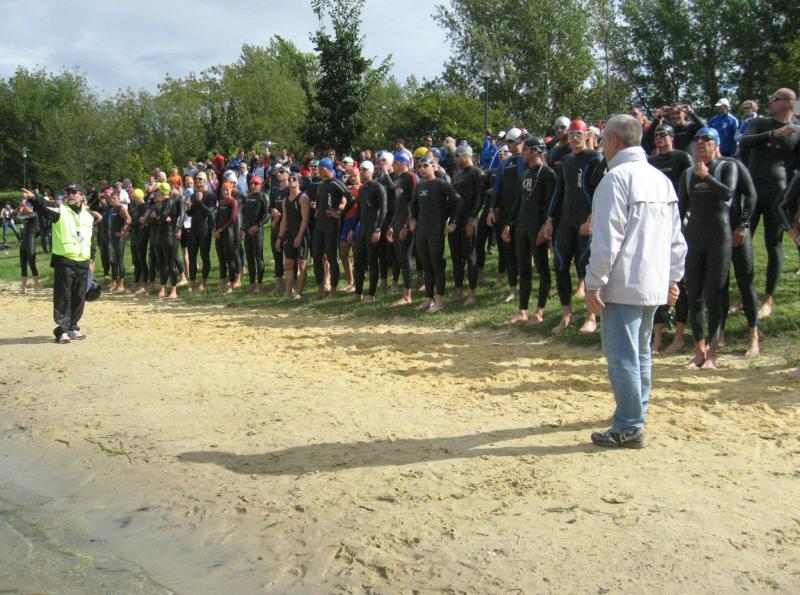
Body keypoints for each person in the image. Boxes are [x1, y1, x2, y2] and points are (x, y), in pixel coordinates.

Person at [584, 114, 687, 448]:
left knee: (623, 357)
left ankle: (629, 425)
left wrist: (593, 282)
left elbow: (606, 239)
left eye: (603, 140)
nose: (601, 146)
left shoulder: (615, 179)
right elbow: (676, 238)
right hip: (652, 281)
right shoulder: (661, 179)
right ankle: (635, 414)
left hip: (623, 282)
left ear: (614, 141)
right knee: (640, 353)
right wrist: (673, 278)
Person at [679, 128, 737, 369]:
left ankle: (712, 353)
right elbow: (680, 209)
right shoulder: (687, 174)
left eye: (706, 139)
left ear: (716, 144)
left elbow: (728, 194)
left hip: (719, 237)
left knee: (714, 295)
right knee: (693, 295)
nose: (700, 143)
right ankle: (699, 351)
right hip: (694, 238)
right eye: (697, 139)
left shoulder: (727, 167)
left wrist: (706, 176)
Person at [739, 88, 800, 318]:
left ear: (789, 103)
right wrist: (772, 135)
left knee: (773, 245)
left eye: (775, 99)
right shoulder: (761, 123)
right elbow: (744, 141)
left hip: (778, 195)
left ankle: (768, 298)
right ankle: (746, 295)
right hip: (753, 192)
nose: (770, 102)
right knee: (743, 244)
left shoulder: (797, 131)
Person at [542, 119, 604, 334]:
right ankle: (566, 315)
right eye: (572, 134)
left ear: (586, 136)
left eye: (579, 134)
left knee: (586, 265)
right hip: (567, 219)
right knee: (560, 264)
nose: (575, 138)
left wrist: (592, 218)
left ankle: (591, 316)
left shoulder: (595, 159)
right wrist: (550, 219)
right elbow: (558, 192)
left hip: (586, 219)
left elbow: (599, 192)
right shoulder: (566, 161)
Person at [24, 184, 97, 344]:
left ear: (82, 196)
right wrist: (34, 198)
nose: (70, 194)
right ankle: (62, 330)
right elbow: (44, 206)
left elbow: (91, 239)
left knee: (79, 297)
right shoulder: (60, 210)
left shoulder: (88, 216)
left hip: (83, 262)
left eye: (74, 192)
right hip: (64, 261)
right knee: (63, 297)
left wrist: (92, 259)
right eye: (67, 192)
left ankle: (73, 327)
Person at [646, 123, 693, 353]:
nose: (659, 137)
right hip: (655, 222)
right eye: (656, 134)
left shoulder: (682, 158)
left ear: (672, 137)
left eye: (663, 134)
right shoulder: (651, 162)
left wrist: (688, 212)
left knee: (677, 280)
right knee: (653, 277)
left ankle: (679, 334)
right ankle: (656, 336)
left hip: (678, 220)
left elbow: (691, 185)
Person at [502, 135, 558, 325]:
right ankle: (522, 311)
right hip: (522, 226)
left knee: (542, 269)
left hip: (537, 228)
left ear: (535, 151)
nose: (522, 153)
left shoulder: (548, 174)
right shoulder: (525, 174)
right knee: (524, 269)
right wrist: (509, 223)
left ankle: (539, 311)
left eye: (525, 149)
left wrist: (545, 225)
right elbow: (518, 201)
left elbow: (552, 203)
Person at [409, 156, 461, 313]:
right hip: (422, 229)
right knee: (426, 264)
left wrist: (453, 221)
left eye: (425, 165)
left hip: (436, 229)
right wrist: (413, 219)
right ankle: (428, 298)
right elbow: (413, 204)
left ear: (434, 167)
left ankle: (439, 300)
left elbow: (458, 201)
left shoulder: (441, 183)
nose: (422, 169)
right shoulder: (420, 185)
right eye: (419, 166)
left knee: (437, 264)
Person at [487, 127, 525, 302]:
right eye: (507, 142)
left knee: (523, 251)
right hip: (506, 212)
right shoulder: (504, 163)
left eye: (510, 142)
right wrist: (491, 209)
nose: (507, 145)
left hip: (524, 211)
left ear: (520, 142)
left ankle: (525, 285)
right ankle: (512, 288)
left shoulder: (527, 159)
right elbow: (497, 189)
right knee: (507, 250)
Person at [312, 157, 354, 298]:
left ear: (329, 170)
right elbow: (320, 200)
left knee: (331, 256)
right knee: (317, 255)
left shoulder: (336, 183)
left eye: (321, 169)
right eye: (318, 169)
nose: (319, 171)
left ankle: (333, 289)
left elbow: (351, 198)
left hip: (331, 224)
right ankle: (320, 289)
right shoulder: (321, 184)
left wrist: (339, 214)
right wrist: (318, 208)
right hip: (320, 224)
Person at [450, 144, 485, 305]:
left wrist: (471, 220)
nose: (454, 158)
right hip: (455, 220)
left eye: (457, 155)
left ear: (466, 156)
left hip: (469, 220)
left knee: (470, 256)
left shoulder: (477, 173)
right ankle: (458, 290)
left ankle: (472, 293)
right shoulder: (456, 175)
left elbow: (479, 199)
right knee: (456, 256)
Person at [349, 161, 387, 302]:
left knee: (372, 261)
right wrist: (352, 229)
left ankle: (371, 294)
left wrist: (378, 228)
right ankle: (358, 293)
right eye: (360, 169)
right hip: (363, 229)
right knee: (358, 261)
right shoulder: (362, 189)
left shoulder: (378, 187)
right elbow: (358, 211)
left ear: (371, 171)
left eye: (364, 170)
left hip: (373, 228)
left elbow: (384, 210)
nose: (361, 172)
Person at [386, 151, 416, 306]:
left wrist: (406, 225)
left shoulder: (411, 177)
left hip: (406, 224)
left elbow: (413, 202)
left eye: (395, 162)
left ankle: (408, 295)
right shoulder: (398, 179)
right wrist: (392, 226)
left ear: (403, 163)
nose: (393, 165)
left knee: (406, 257)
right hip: (397, 223)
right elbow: (398, 207)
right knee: (400, 258)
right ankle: (406, 292)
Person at [276, 172, 311, 298]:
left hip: (302, 235)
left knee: (302, 264)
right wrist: (279, 238)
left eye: (294, 179)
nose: (291, 180)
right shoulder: (285, 200)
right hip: (289, 235)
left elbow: (305, 220)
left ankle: (299, 292)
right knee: (288, 264)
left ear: (299, 181)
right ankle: (288, 292)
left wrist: (299, 236)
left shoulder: (303, 198)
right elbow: (284, 220)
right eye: (290, 179)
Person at [240, 175, 270, 293]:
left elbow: (267, 214)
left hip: (258, 232)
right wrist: (242, 229)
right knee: (249, 258)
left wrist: (257, 226)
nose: (252, 186)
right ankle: (252, 283)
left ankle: (259, 284)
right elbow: (245, 216)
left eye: (255, 184)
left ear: (260, 185)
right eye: (251, 183)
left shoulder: (263, 196)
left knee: (258, 258)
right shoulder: (248, 197)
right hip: (248, 231)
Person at [214, 182, 240, 295]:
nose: (225, 191)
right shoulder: (220, 202)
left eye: (227, 189)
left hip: (229, 233)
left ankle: (231, 284)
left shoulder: (233, 202)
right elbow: (217, 218)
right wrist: (215, 230)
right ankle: (221, 284)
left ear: (231, 190)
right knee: (221, 260)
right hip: (219, 234)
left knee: (230, 260)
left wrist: (221, 229)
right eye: (224, 189)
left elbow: (232, 219)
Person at [108, 191, 131, 292]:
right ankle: (114, 282)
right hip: (112, 238)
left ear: (118, 199)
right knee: (113, 260)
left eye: (114, 198)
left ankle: (121, 284)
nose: (112, 200)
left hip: (119, 238)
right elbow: (111, 222)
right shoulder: (112, 209)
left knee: (119, 261)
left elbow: (128, 219)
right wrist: (109, 230)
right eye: (111, 198)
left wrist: (123, 231)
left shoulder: (121, 208)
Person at [17, 199, 40, 293]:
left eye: (26, 206)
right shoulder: (27, 216)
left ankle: (36, 285)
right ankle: (23, 287)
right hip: (23, 243)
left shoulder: (34, 215)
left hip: (31, 242)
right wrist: (21, 207)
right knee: (23, 265)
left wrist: (23, 204)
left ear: (30, 207)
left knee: (32, 264)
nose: (24, 209)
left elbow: (20, 217)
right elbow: (18, 217)